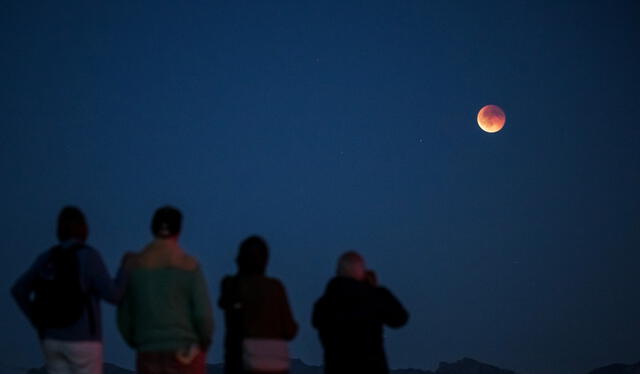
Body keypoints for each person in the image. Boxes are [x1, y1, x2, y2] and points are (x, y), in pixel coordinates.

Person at [11, 206, 128, 374]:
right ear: (83, 229)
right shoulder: (88, 257)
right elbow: (114, 295)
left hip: (52, 339)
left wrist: (37, 321)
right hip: (83, 340)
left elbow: (18, 290)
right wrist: (125, 269)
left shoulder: (46, 258)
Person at [117, 206, 213, 374]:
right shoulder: (190, 266)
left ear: (153, 228)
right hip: (184, 351)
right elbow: (203, 316)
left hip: (148, 349)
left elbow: (124, 315)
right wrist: (204, 342)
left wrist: (138, 341)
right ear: (179, 230)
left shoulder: (135, 266)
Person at [312, 251, 409, 374]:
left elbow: (316, 322)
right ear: (361, 270)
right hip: (371, 367)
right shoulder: (373, 295)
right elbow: (400, 318)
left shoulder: (326, 302)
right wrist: (374, 288)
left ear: (338, 270)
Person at [218, 236, 298, 374]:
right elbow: (290, 330)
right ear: (266, 261)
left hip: (242, 362)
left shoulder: (232, 285)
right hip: (275, 364)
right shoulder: (276, 288)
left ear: (240, 259)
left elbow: (226, 306)